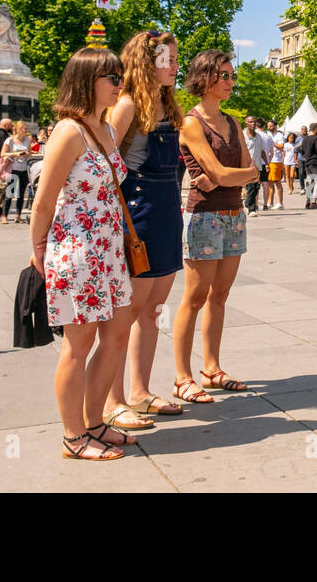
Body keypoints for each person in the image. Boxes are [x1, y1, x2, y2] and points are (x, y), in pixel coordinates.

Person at [29, 46, 136, 460]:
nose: (119, 85)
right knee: (79, 344)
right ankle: (74, 436)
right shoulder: (68, 131)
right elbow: (44, 199)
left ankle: (95, 423)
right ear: (86, 82)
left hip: (109, 249)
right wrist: (38, 248)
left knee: (115, 337)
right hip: (76, 250)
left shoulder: (107, 128)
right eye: (111, 78)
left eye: (120, 76)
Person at [100, 30, 188, 425]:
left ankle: (139, 392)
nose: (173, 65)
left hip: (167, 209)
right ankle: (112, 401)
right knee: (126, 312)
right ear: (145, 63)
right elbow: (102, 163)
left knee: (152, 310)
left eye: (173, 59)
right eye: (165, 59)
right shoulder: (127, 105)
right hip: (137, 214)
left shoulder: (167, 106)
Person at [173, 49, 259, 403]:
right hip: (204, 217)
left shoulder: (233, 122)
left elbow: (252, 171)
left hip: (234, 215)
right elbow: (227, 172)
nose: (229, 81)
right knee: (193, 299)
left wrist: (228, 177)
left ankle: (211, 367)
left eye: (231, 75)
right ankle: (182, 376)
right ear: (204, 77)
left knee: (219, 297)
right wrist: (229, 176)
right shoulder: (192, 123)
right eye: (223, 75)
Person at [0, 120, 33, 224]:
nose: (26, 130)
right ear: (18, 129)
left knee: (21, 194)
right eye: (24, 128)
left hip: (23, 169)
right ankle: (4, 216)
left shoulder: (28, 140)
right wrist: (15, 154)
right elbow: (3, 154)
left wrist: (27, 154)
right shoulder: (10, 140)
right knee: (10, 193)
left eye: (26, 128)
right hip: (13, 169)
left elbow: (30, 153)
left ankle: (18, 215)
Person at [242, 116, 267, 216]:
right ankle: (250, 207)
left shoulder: (259, 136)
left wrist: (267, 163)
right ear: (246, 124)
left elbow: (262, 151)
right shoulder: (243, 136)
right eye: (250, 122)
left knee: (255, 187)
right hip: (246, 165)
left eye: (254, 122)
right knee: (251, 186)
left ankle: (248, 204)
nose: (253, 124)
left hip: (257, 166)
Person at [299, 122, 317, 208]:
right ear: (316, 129)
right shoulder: (316, 138)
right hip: (315, 162)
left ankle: (308, 201)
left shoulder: (305, 138)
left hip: (307, 162)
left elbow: (301, 150)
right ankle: (313, 202)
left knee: (310, 182)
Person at [265, 119, 285, 209]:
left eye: (271, 126)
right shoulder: (267, 134)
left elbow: (281, 146)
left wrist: (272, 142)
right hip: (269, 160)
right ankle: (270, 202)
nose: (269, 128)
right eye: (268, 126)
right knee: (270, 182)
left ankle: (280, 203)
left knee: (277, 182)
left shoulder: (279, 135)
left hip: (276, 161)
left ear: (275, 126)